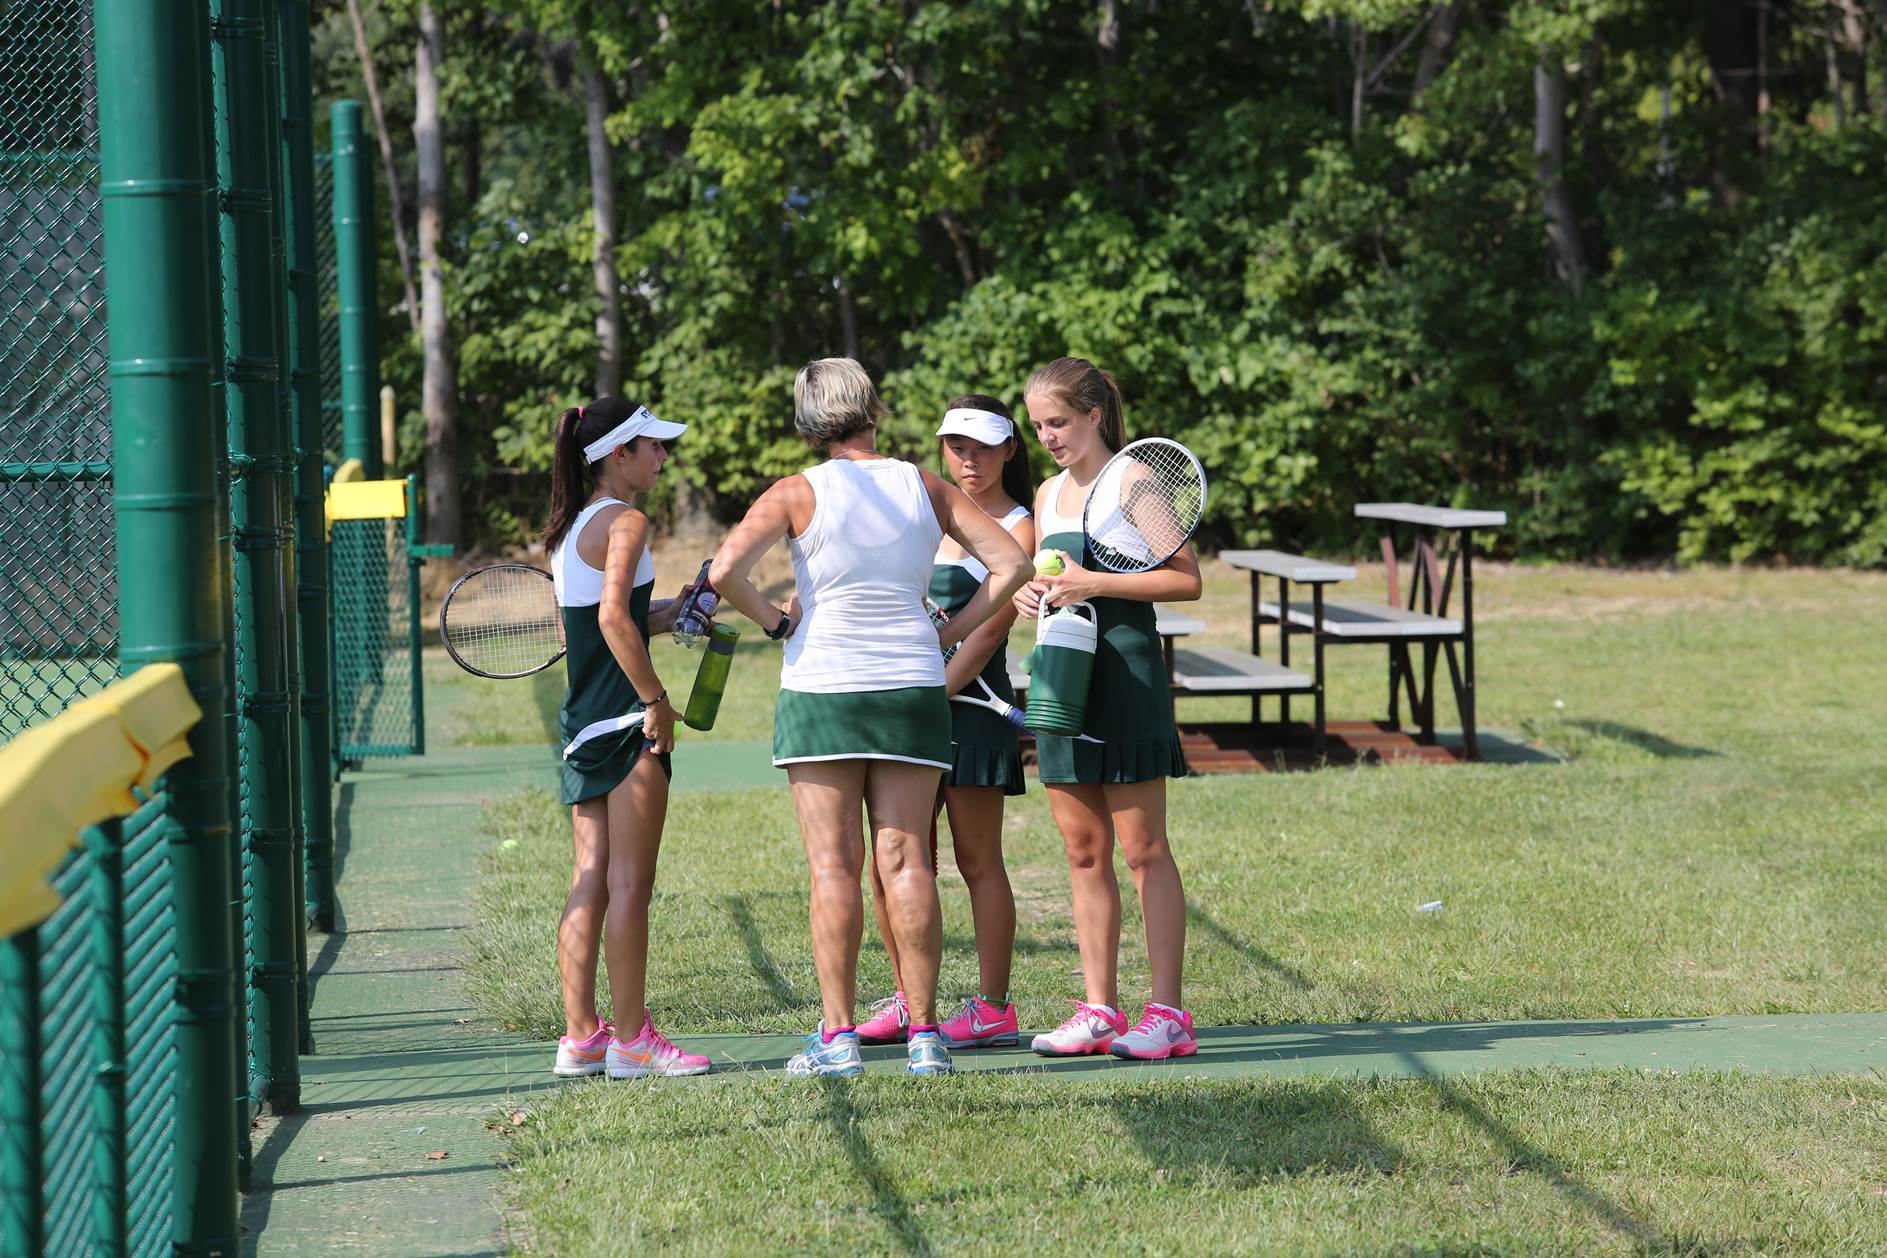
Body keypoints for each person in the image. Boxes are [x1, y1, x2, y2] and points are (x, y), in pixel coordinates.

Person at [710, 359, 1029, 1077]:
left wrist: (774, 624)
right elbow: (1011, 565)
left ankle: (839, 1036)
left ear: (807, 420)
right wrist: (943, 635)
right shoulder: (924, 483)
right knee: (908, 859)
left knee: (834, 867)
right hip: (911, 688)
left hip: (823, 686)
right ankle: (924, 1036)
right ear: (872, 408)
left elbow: (725, 570)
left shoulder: (794, 491)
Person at [1014, 357, 1201, 1061]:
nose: (1048, 437)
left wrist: (1094, 581)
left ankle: (1168, 1016)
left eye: (1057, 422)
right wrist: (1027, 594)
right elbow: (1041, 578)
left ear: (1094, 415)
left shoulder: (1134, 478)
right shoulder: (1044, 492)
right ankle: (1097, 1011)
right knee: (1081, 850)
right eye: (1037, 427)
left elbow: (1186, 579)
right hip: (1062, 675)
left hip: (1123, 672)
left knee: (1142, 850)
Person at [857, 396, 1036, 1050]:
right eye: (957, 446)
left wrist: (928, 696)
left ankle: (993, 1007)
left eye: (983, 447)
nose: (969, 460)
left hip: (968, 717)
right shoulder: (922, 514)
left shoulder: (1020, 527)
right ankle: (912, 1000)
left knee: (977, 861)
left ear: (1009, 450)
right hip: (908, 715)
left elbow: (987, 635)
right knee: (895, 863)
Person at [546, 397, 712, 1080]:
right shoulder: (628, 520)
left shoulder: (569, 526)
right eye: (652, 447)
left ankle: (582, 1036)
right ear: (619, 454)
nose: (662, 458)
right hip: (625, 723)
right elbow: (615, 617)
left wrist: (676, 609)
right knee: (629, 886)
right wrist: (656, 702)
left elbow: (599, 624)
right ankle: (633, 1041)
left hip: (582, 724)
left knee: (589, 881)